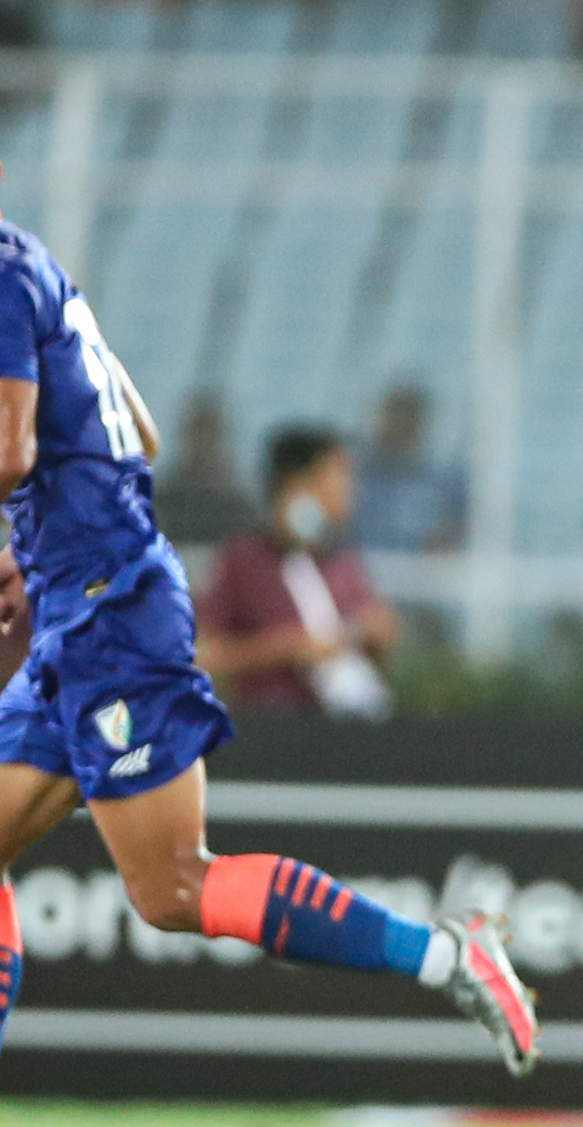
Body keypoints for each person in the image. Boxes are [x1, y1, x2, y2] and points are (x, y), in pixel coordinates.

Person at [0, 211, 534, 1072]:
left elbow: (9, 451)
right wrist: (42, 544)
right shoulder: (31, 267)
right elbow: (139, 436)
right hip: (86, 595)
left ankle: (447, 955)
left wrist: (59, 539)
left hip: (108, 613)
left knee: (174, 885)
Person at [200, 427, 398, 718]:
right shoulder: (244, 559)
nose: (350, 489)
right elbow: (206, 656)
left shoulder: (343, 561)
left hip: (342, 727)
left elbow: (372, 641)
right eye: (338, 475)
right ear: (297, 482)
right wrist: (286, 648)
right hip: (270, 724)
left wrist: (375, 636)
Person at [352, 382, 466, 552]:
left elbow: (463, 527)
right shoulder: (354, 473)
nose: (399, 427)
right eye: (394, 418)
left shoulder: (444, 481)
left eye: (407, 419)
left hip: (419, 565)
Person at [152, 393, 258, 546]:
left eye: (209, 436)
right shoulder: (162, 501)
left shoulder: (239, 509)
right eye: (197, 435)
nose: (203, 446)